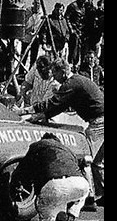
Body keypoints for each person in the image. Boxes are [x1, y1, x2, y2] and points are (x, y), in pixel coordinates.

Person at [20, 57, 104, 209]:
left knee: (87, 157)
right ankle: (101, 194)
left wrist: (29, 111)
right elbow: (59, 105)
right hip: (99, 118)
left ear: (62, 71)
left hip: (99, 121)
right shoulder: (77, 81)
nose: (53, 75)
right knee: (98, 162)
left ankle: (89, 198)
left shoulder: (72, 83)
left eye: (54, 72)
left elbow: (55, 103)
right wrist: (44, 114)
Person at [12, 133, 90, 221]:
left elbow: (23, 168)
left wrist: (17, 181)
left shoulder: (36, 146)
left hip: (53, 185)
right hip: (79, 183)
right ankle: (70, 219)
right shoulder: (67, 150)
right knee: (80, 194)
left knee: (44, 213)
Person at [65, 0, 92, 65]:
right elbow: (67, 18)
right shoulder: (72, 6)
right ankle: (72, 65)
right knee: (73, 51)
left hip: (83, 33)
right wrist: (71, 30)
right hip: (74, 32)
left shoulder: (87, 7)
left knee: (83, 52)